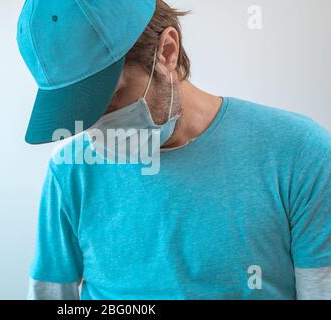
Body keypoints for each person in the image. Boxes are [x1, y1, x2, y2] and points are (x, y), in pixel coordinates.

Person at [17, 0, 331, 300]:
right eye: (79, 110)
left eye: (110, 99)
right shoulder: (70, 172)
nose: (93, 126)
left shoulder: (299, 154)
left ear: (167, 51)